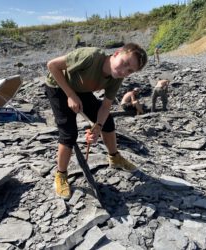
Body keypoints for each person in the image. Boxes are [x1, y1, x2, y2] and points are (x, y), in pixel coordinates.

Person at [45, 43, 147, 200]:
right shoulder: (91, 57)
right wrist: (71, 95)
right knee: (69, 132)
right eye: (125, 63)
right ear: (117, 53)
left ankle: (114, 158)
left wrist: (97, 127)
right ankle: (61, 175)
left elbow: (105, 107)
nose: (123, 71)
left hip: (81, 89)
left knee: (107, 122)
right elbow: (52, 66)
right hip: (58, 86)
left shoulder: (116, 78)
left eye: (130, 71)